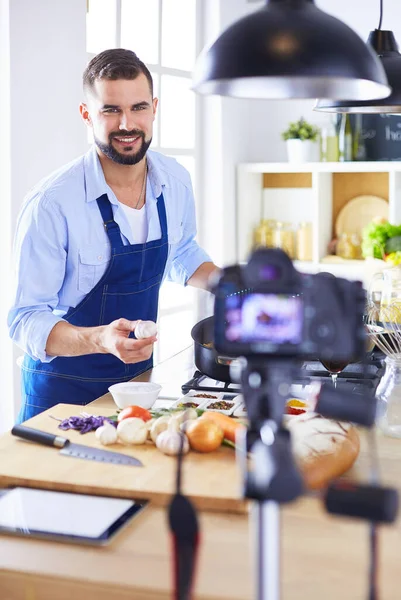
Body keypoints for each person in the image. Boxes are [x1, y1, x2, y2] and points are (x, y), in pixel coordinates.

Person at [8, 48, 219, 424]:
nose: (127, 124)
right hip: (60, 398)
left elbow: (181, 251)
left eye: (138, 108)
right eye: (110, 110)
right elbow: (24, 319)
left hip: (135, 390)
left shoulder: (174, 181)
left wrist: (229, 282)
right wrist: (101, 339)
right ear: (86, 114)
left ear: (154, 108)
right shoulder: (52, 203)